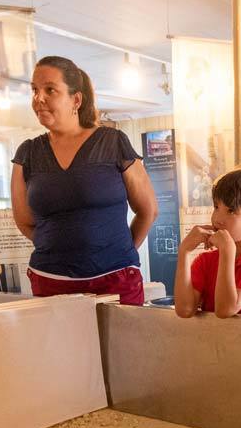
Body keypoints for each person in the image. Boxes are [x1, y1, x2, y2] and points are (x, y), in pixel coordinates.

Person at [10, 56, 158, 305]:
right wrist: (61, 246)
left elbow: (148, 211)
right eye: (34, 90)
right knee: (59, 346)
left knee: (123, 345)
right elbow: (24, 222)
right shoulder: (28, 154)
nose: (39, 99)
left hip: (115, 280)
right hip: (50, 282)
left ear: (75, 100)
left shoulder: (113, 142)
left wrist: (118, 251)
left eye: (50, 90)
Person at [174, 168, 241, 318]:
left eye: (231, 211)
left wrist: (226, 253)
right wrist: (184, 251)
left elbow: (225, 310)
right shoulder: (205, 261)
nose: (217, 218)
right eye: (216, 207)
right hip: (215, 341)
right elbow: (184, 310)